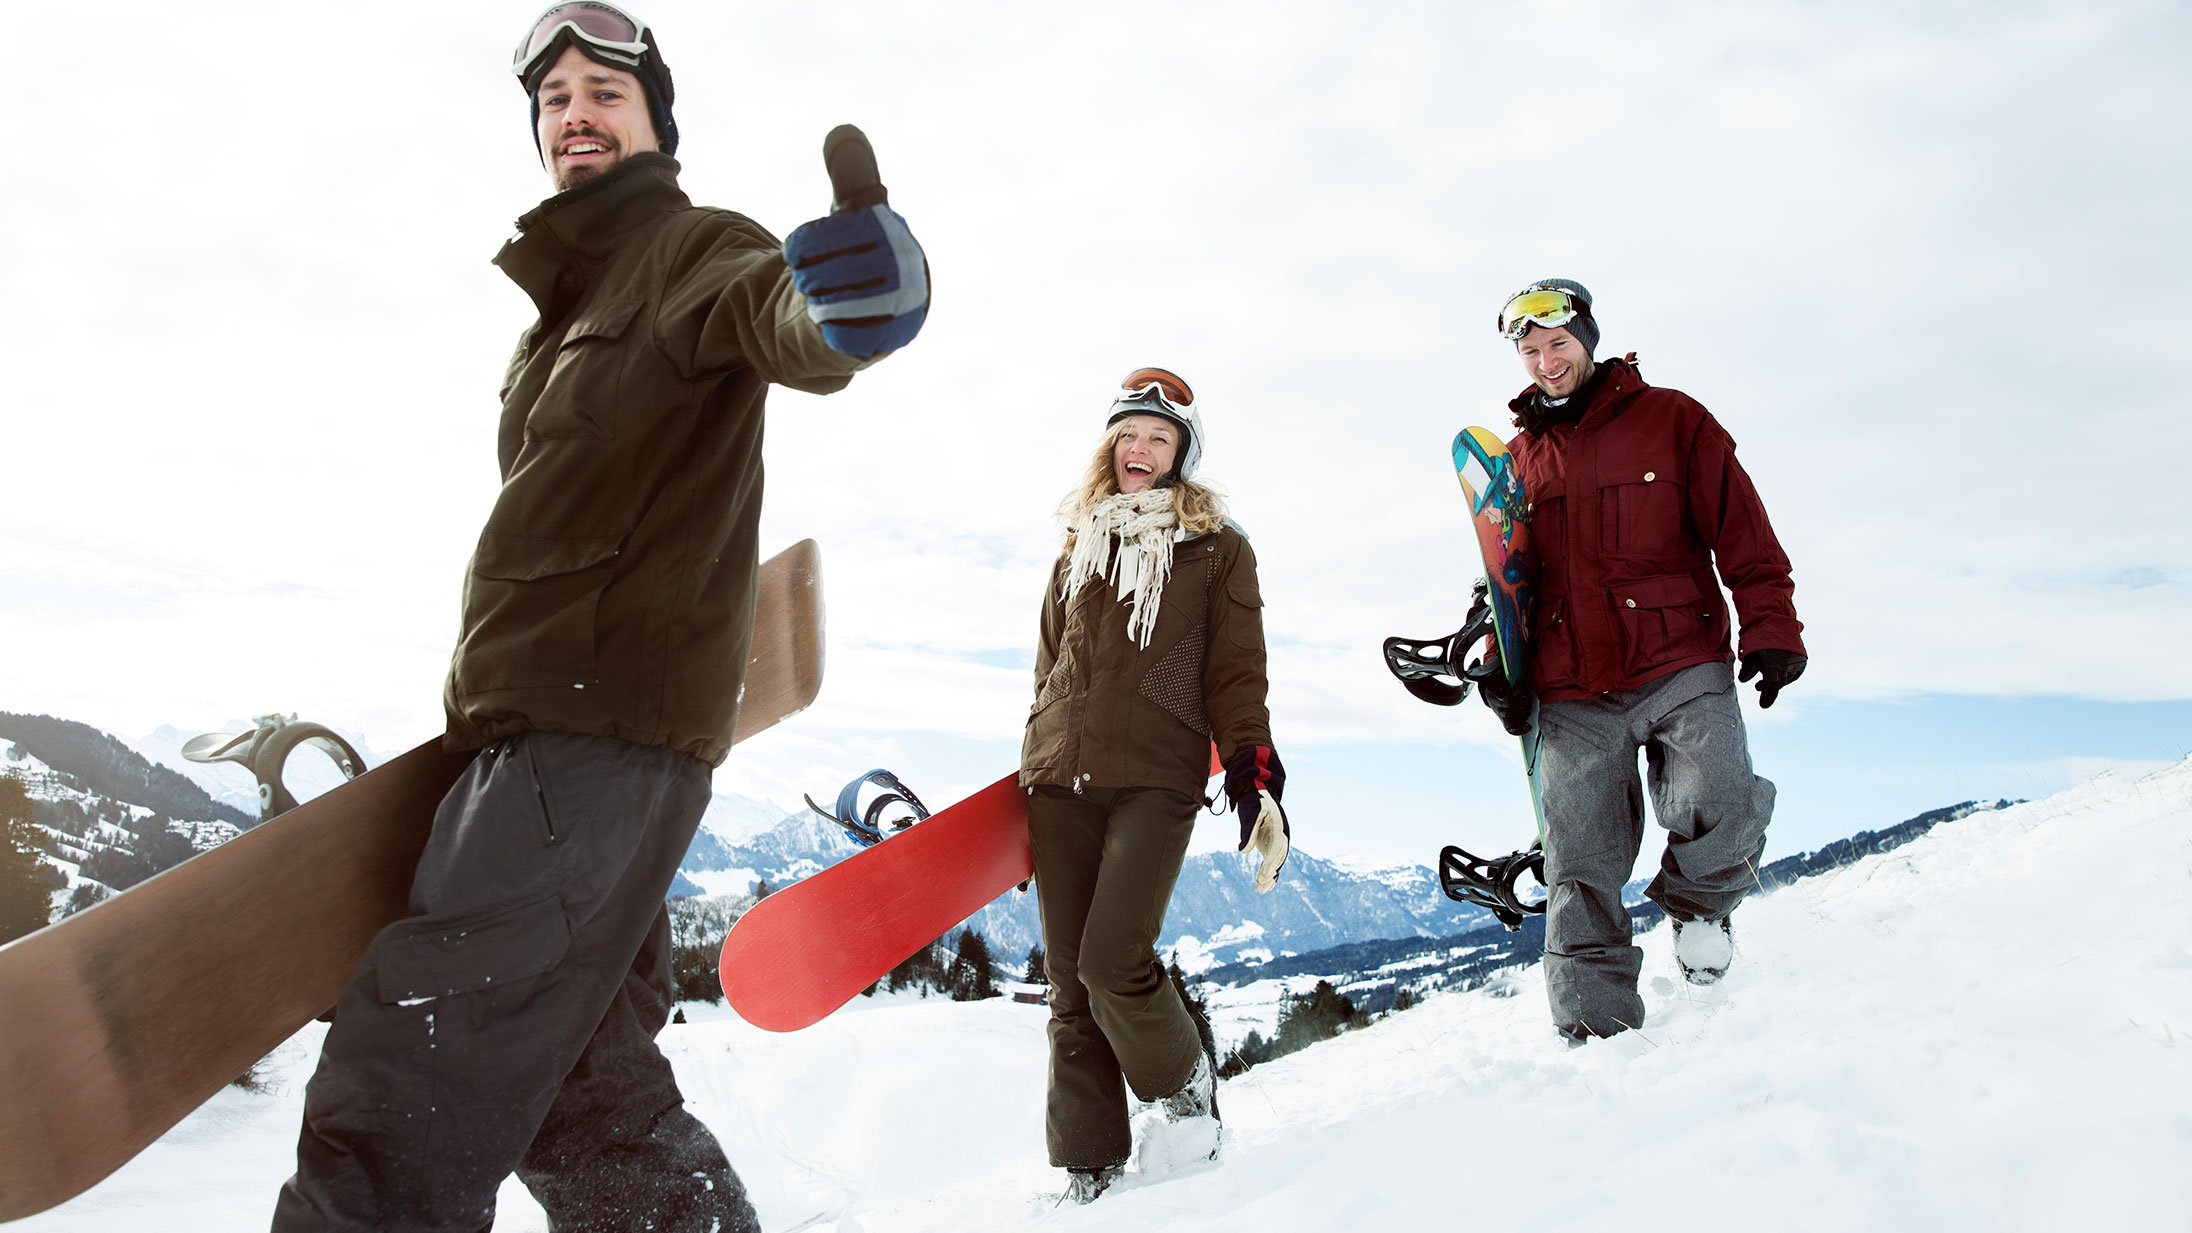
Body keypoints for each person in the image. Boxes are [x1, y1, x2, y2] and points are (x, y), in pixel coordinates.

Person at [273, 5, 928, 1229]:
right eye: (552, 98)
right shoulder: (555, 325)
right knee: (589, 1104)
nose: (574, 112)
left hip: (585, 753)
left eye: (604, 93)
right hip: (546, 754)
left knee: (404, 1092)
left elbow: (775, 313)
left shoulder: (688, 251)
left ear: (653, 125)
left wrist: (845, 311)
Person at [1478, 279, 1806, 1045]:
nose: (1545, 361)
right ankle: (1597, 1036)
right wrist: (1504, 667)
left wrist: (1772, 627)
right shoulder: (1520, 460)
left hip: (1678, 655)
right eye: (1530, 351)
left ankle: (1699, 911)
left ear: (1587, 338)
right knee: (1580, 863)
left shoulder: (1674, 420)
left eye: (1557, 344)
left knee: (1721, 793)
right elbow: (1506, 580)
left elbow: (1743, 528)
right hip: (1572, 687)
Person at [1019, 367, 1291, 1203]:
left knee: (1112, 962)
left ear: (1181, 454)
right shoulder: (1080, 542)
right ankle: (1089, 1167)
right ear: (1111, 445)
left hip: (1157, 778)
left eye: (1159, 438)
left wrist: (1255, 783)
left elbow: (1238, 674)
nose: (1140, 450)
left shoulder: (1218, 548)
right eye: (1129, 435)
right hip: (1060, 778)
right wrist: (1038, 751)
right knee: (1069, 986)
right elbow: (1048, 665)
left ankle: (1184, 1095)